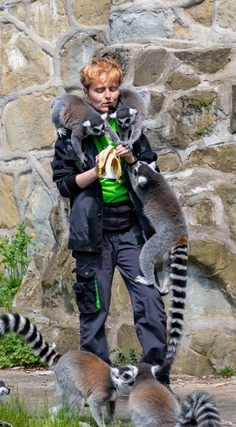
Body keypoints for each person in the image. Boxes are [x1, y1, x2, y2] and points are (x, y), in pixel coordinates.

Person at [50, 57, 170, 384]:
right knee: (93, 312)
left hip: (132, 233)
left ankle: (156, 381)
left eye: (113, 88)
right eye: (99, 90)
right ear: (86, 93)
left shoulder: (130, 127)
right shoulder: (71, 134)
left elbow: (154, 177)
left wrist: (132, 160)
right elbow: (63, 184)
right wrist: (95, 171)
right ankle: (98, 387)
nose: (107, 95)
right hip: (93, 238)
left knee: (150, 306)